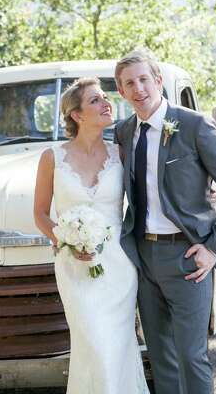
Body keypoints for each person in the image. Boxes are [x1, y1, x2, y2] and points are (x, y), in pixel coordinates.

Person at [114, 50, 216, 394]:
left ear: (158, 81)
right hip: (144, 257)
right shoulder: (124, 131)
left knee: (192, 356)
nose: (138, 88)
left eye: (144, 79)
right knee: (161, 359)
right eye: (129, 83)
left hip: (188, 257)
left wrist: (213, 247)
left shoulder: (192, 124)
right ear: (121, 91)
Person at [34, 77, 150, 394]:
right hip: (74, 267)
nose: (106, 103)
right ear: (77, 115)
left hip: (119, 267)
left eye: (105, 98)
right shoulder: (51, 158)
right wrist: (66, 242)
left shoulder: (120, 154)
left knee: (117, 347)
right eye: (96, 100)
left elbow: (144, 200)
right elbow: (41, 214)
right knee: (94, 344)